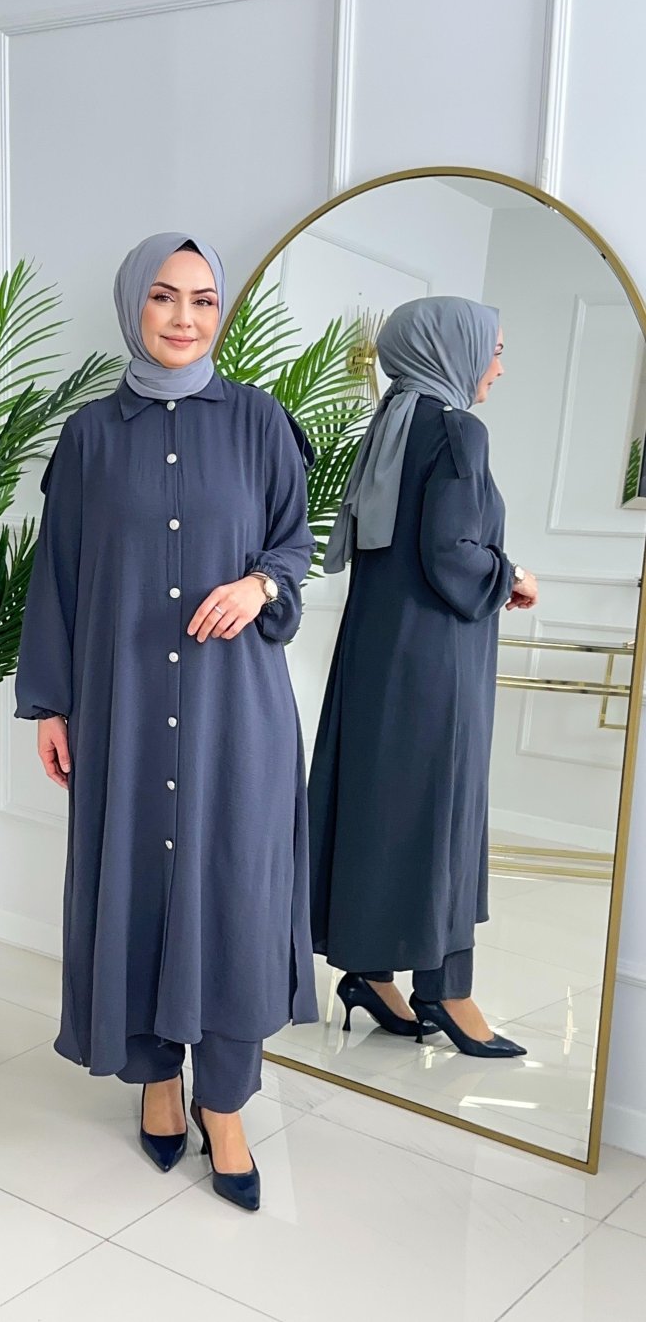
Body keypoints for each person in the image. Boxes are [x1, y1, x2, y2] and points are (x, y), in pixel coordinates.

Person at [14, 232, 317, 1211]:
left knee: (234, 899)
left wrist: (258, 583)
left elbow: (294, 545)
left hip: (239, 715)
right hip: (126, 710)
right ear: (132, 306)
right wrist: (50, 703)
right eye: (163, 296)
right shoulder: (90, 437)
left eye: (202, 299)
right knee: (136, 887)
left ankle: (223, 1103)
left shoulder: (261, 422)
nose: (185, 318)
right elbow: (57, 579)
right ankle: (154, 1076)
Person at [307, 295, 538, 1059]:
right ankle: (447, 988)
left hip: (375, 657)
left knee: (379, 808)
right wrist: (512, 575)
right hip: (437, 663)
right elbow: (452, 555)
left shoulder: (390, 426)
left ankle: (370, 971)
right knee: (443, 814)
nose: (497, 368)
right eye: (493, 350)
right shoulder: (455, 431)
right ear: (453, 349)